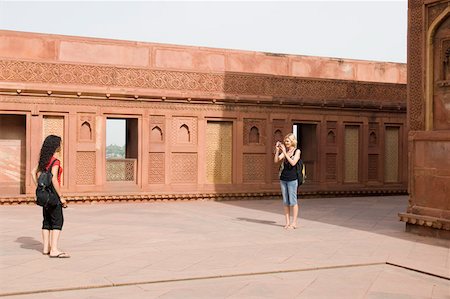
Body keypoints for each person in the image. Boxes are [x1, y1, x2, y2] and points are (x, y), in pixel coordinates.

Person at [31, 135, 70, 258]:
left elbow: (33, 172)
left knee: (46, 221)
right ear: (55, 146)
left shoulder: (44, 160)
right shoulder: (55, 161)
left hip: (44, 195)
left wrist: (39, 186)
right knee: (58, 221)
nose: (60, 146)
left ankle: (45, 248)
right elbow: (54, 180)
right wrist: (61, 197)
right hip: (53, 194)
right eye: (59, 144)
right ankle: (54, 250)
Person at [274, 133, 301, 229]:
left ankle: (294, 223)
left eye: (288, 141)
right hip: (283, 178)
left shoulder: (297, 151)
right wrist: (277, 151)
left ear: (292, 141)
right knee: (286, 201)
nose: (286, 143)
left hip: (293, 179)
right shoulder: (285, 151)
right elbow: (276, 160)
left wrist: (285, 153)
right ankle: (287, 222)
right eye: (285, 141)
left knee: (293, 201)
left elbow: (293, 163)